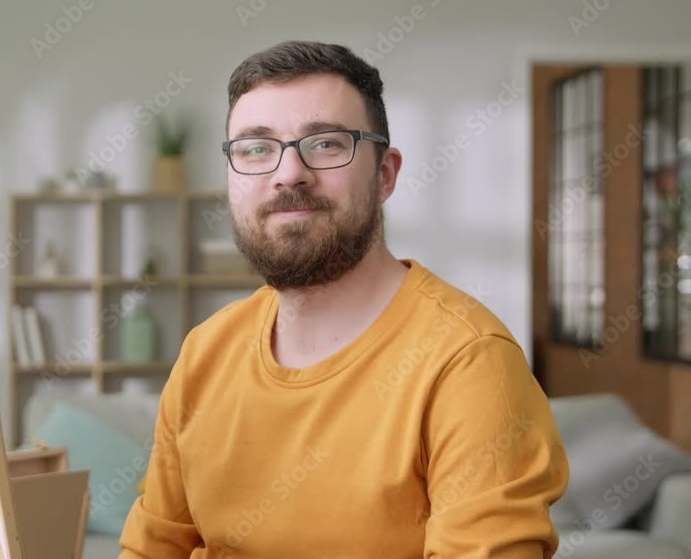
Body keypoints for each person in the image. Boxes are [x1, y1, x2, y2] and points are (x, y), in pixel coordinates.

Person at [119, 40, 568, 559]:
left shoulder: (469, 362)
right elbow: (154, 547)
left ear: (385, 175)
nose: (288, 173)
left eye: (327, 144)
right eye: (256, 148)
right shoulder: (204, 353)